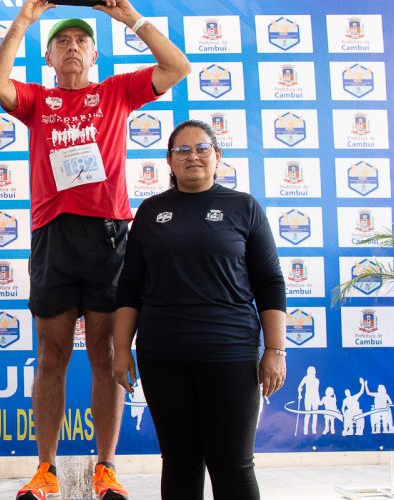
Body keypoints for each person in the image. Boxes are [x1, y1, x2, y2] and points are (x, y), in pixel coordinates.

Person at [0, 1, 190, 498]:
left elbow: (177, 67)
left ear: (95, 55)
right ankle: (46, 469)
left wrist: (131, 18)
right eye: (62, 42)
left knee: (106, 354)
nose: (72, 47)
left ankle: (106, 468)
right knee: (51, 356)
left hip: (107, 237)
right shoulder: (37, 100)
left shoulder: (115, 91)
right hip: (53, 237)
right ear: (49, 59)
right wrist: (24, 20)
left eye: (81, 42)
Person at [110, 120, 287, 500]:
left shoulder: (244, 208)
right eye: (183, 150)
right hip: (163, 356)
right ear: (169, 161)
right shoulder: (151, 212)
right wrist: (121, 349)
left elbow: (270, 283)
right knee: (179, 460)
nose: (193, 157)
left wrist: (275, 350)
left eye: (202, 148)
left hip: (230, 353)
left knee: (233, 463)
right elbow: (129, 287)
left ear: (218, 156)